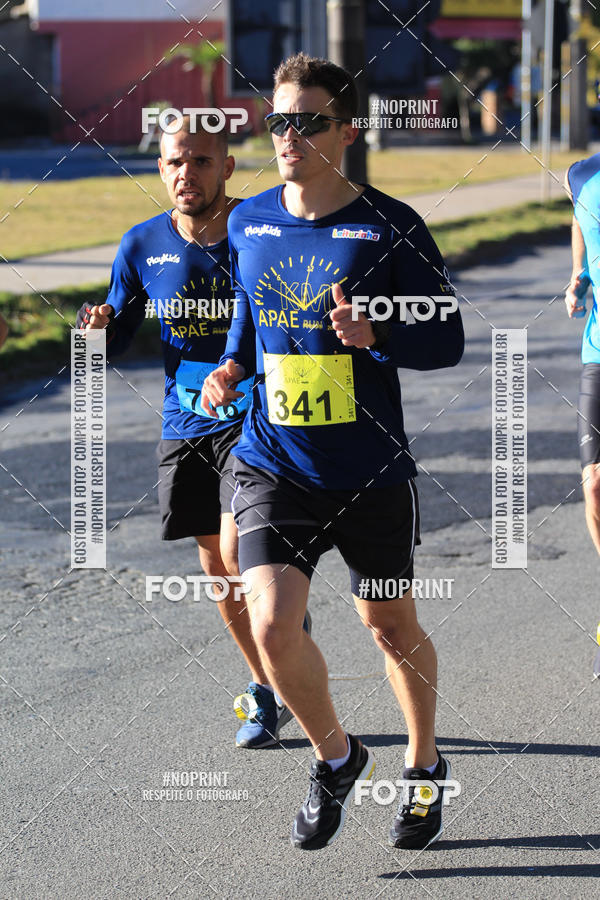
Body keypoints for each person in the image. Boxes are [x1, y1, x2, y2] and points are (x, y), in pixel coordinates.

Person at [201, 52, 464, 849]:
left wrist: (378, 332)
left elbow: (446, 338)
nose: (288, 135)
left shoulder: (391, 226)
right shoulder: (249, 221)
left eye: (307, 121)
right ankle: (336, 757)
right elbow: (249, 315)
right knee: (273, 623)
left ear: (346, 131)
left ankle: (422, 766)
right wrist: (231, 366)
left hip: (370, 471)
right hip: (273, 460)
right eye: (278, 120)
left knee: (387, 626)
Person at [77, 119, 309, 746]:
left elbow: (291, 314)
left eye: (202, 162)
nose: (189, 174)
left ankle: (285, 646)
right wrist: (93, 327)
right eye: (177, 162)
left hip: (259, 417)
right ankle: (268, 685)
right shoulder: (141, 243)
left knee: (239, 551)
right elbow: (115, 334)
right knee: (216, 565)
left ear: (227, 168)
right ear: (160, 169)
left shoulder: (257, 229)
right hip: (185, 421)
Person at [564, 151, 600, 678]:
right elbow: (579, 217)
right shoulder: (583, 174)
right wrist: (579, 275)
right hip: (599, 351)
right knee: (594, 484)